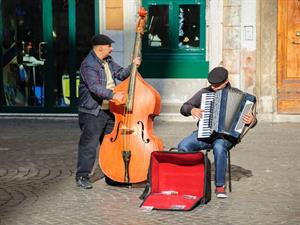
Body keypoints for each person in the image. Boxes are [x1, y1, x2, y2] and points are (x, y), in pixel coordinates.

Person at [177, 66, 257, 198]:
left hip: (225, 137)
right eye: (212, 85)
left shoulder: (239, 96)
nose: (213, 88)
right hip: (204, 133)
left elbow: (253, 122)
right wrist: (192, 110)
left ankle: (220, 186)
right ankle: (189, 180)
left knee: (219, 147)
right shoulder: (204, 93)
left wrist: (251, 120)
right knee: (184, 145)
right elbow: (184, 107)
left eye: (217, 85)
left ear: (226, 81)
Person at [75, 34, 141, 189]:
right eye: (109, 46)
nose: (111, 49)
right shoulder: (88, 64)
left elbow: (120, 74)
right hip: (93, 111)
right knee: (89, 146)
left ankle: (112, 175)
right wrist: (114, 95)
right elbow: (94, 87)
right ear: (100, 48)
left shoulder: (108, 61)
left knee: (110, 146)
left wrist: (133, 66)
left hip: (110, 110)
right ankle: (82, 176)